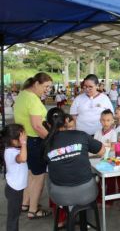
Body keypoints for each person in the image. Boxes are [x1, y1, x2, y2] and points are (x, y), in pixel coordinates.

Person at [43, 107, 105, 214]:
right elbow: (102, 151)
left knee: (48, 174)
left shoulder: (45, 143)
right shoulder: (80, 135)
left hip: (60, 195)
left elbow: (46, 163)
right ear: (66, 121)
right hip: (87, 192)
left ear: (48, 125)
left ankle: (63, 216)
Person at [13, 72, 52, 219]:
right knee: (39, 176)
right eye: (46, 86)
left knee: (30, 174)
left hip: (26, 141)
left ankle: (25, 203)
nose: (47, 90)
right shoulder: (33, 100)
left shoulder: (22, 95)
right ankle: (34, 210)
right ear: (36, 84)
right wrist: (51, 139)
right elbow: (37, 126)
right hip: (35, 141)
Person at [1, 124, 28, 231]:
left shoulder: (14, 149)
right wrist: (24, 143)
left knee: (15, 216)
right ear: (14, 140)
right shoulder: (10, 152)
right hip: (14, 190)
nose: (25, 137)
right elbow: (23, 158)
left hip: (15, 188)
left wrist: (22, 143)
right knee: (13, 218)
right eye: (22, 136)